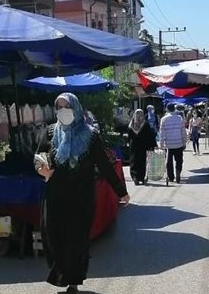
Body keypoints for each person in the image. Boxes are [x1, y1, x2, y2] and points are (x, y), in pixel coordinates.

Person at [36, 93, 129, 293]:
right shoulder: (51, 132)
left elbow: (104, 165)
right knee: (53, 236)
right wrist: (40, 168)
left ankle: (73, 281)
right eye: (59, 107)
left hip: (81, 197)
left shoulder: (90, 135)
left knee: (76, 240)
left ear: (76, 108)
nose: (63, 111)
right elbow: (38, 156)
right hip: (55, 195)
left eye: (66, 106)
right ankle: (61, 272)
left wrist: (121, 191)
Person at [124, 109, 157, 185]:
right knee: (142, 161)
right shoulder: (145, 124)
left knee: (133, 161)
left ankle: (135, 177)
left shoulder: (131, 125)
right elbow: (150, 135)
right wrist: (152, 145)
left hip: (134, 146)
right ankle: (141, 177)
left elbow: (129, 136)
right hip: (143, 145)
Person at [159, 103, 188, 183]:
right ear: (174, 109)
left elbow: (162, 133)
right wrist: (184, 141)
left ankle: (171, 177)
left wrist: (161, 144)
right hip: (179, 143)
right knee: (179, 160)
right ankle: (178, 171)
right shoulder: (179, 118)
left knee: (169, 162)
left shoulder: (164, 119)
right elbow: (183, 131)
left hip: (169, 144)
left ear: (167, 109)